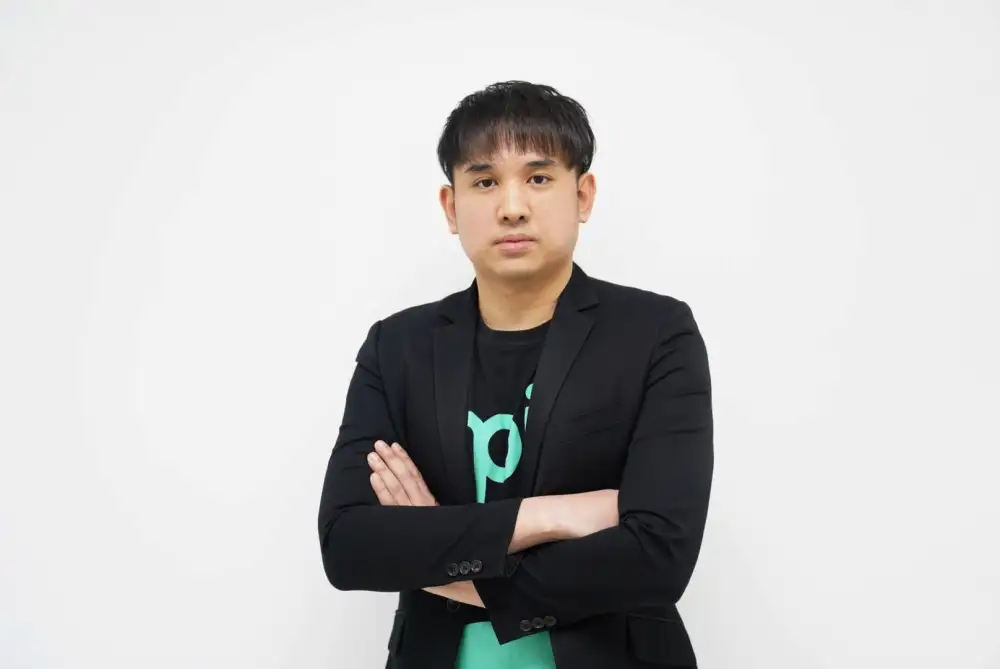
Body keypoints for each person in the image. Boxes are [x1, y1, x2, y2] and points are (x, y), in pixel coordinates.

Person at [317, 80, 714, 669]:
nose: (512, 206)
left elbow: (659, 556)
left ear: (583, 195)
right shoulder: (397, 347)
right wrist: (551, 515)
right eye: (484, 182)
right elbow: (347, 546)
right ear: (451, 207)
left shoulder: (655, 333)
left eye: (539, 177)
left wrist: (434, 545)